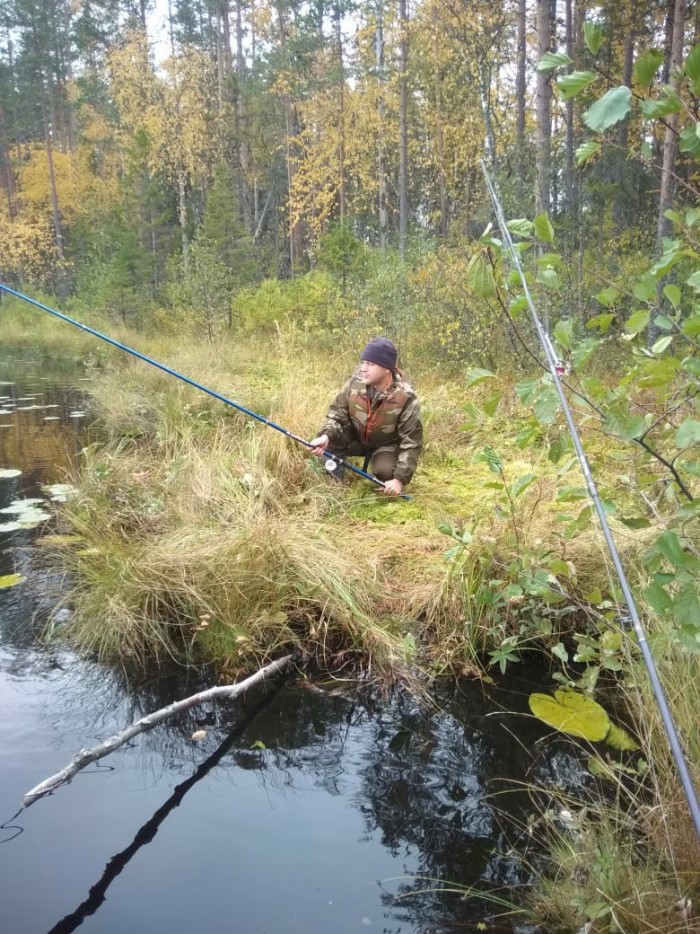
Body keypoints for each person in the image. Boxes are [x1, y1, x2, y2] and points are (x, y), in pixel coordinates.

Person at [309, 337, 423, 496]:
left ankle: (388, 475)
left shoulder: (406, 396)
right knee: (329, 441)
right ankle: (333, 486)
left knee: (385, 473)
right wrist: (326, 436)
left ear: (386, 368)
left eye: (370, 364)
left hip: (386, 444)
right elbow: (336, 414)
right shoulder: (354, 384)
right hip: (356, 437)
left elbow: (412, 440)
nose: (363, 368)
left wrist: (399, 479)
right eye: (363, 362)